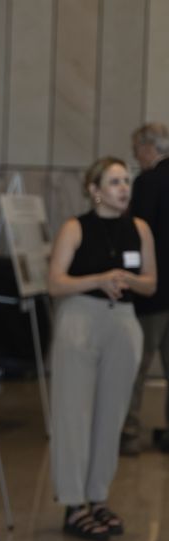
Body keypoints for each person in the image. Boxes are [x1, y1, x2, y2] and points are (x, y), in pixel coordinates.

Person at [48, 156, 157, 541]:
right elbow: (55, 283)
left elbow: (151, 284)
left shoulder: (140, 228)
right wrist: (98, 278)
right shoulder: (74, 228)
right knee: (73, 414)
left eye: (126, 180)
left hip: (123, 324)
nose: (124, 188)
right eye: (114, 182)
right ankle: (74, 504)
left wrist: (127, 278)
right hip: (80, 319)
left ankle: (98, 497)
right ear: (94, 191)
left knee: (111, 415)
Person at [120, 123, 169, 455]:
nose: (136, 155)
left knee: (137, 361)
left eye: (137, 148)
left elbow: (134, 235)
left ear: (150, 148)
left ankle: (129, 432)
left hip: (154, 290)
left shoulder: (147, 183)